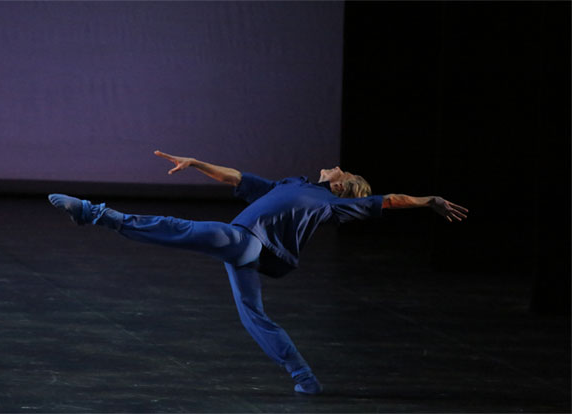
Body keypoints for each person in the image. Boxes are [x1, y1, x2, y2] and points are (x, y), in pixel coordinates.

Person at [48, 150, 468, 395]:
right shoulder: (292, 183)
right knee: (253, 314)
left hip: (251, 242)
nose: (333, 166)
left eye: (340, 171)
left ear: (343, 186)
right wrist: (196, 163)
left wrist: (427, 199)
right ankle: (304, 377)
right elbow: (237, 178)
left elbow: (388, 200)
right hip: (247, 247)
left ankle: (94, 213)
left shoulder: (333, 202)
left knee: (184, 230)